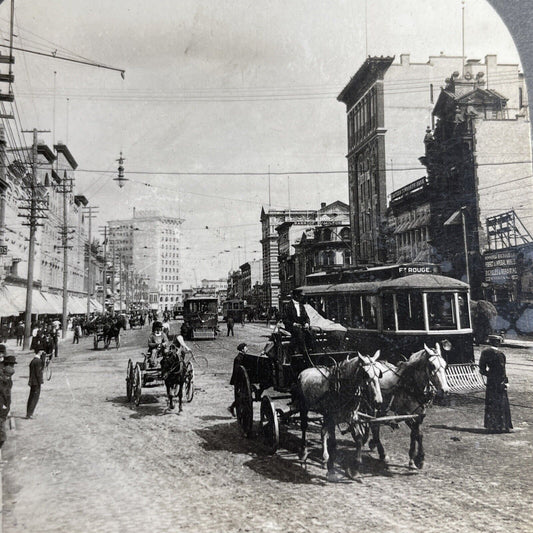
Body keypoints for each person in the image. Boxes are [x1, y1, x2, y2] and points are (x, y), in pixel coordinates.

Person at [479, 347, 513, 433]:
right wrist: (505, 381)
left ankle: (491, 425)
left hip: (490, 381)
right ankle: (502, 426)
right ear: (498, 342)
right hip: (499, 381)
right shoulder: (500, 354)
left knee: (491, 402)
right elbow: (502, 370)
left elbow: (481, 369)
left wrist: (489, 375)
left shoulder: (485, 352)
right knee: (501, 402)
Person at [0, 346, 16, 450]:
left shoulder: (8, 380)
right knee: (2, 435)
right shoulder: (2, 380)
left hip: (4, 408)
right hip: (1, 408)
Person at [227, 343, 248, 416]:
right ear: (242, 349)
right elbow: (236, 371)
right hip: (238, 380)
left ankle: (232, 407)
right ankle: (232, 407)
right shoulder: (238, 358)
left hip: (242, 380)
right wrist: (237, 383)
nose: (247, 349)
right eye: (246, 348)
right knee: (239, 396)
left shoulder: (242, 357)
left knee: (241, 396)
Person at [26, 351, 44, 419]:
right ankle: (30, 414)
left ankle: (28, 413)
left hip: (32, 381)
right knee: (34, 398)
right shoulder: (38, 361)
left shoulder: (33, 361)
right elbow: (38, 373)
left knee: (31, 397)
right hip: (36, 382)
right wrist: (40, 381)